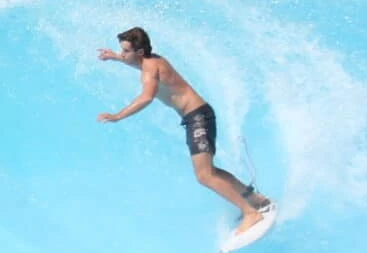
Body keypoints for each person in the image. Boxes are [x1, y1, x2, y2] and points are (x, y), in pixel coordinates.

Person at [98, 27, 273, 238]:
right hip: (197, 116)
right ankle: (256, 200)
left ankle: (250, 213)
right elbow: (132, 61)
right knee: (211, 171)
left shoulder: (150, 69)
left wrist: (118, 116)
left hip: (197, 118)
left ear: (140, 52)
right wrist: (115, 57)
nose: (123, 55)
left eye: (125, 51)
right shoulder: (149, 60)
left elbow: (146, 97)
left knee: (204, 176)